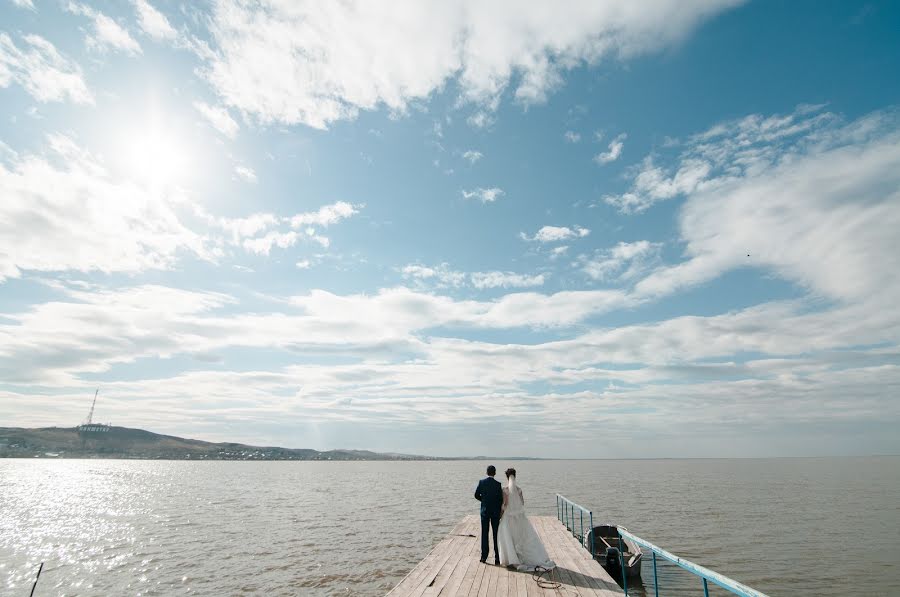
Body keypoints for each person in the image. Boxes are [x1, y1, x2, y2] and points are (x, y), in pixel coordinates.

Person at [497, 468, 555, 571]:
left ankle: (512, 559)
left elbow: (505, 505)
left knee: (508, 537)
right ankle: (527, 558)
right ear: (515, 476)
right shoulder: (519, 490)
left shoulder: (505, 490)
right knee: (522, 538)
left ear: (507, 477)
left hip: (508, 517)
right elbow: (522, 503)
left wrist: (501, 515)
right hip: (520, 517)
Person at [474, 465, 503, 564]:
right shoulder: (498, 484)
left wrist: (484, 501)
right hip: (495, 513)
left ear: (487, 472)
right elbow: (500, 500)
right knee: (496, 535)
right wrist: (499, 512)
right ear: (494, 473)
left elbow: (476, 495)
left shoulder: (481, 482)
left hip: (485, 512)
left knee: (484, 534)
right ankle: (497, 558)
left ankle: (484, 557)